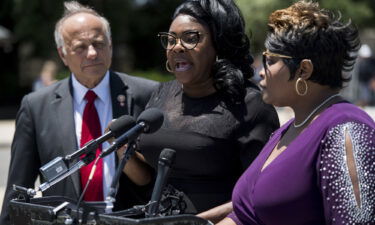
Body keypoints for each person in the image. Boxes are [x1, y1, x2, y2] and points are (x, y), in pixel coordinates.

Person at [216, 1, 375, 224]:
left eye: (270, 61)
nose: (261, 72)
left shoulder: (346, 129)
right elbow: (248, 212)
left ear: (304, 69)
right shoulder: (289, 129)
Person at [0, 1, 158, 224]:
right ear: (63, 54)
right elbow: (19, 189)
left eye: (99, 43)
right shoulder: (36, 106)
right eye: (80, 47)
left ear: (110, 46)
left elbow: (162, 175)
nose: (92, 53)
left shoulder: (147, 94)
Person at [135, 0, 279, 215]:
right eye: (171, 39)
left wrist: (199, 221)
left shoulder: (250, 105)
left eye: (191, 38)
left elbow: (260, 194)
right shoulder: (161, 94)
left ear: (219, 44)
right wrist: (119, 145)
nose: (177, 47)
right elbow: (146, 176)